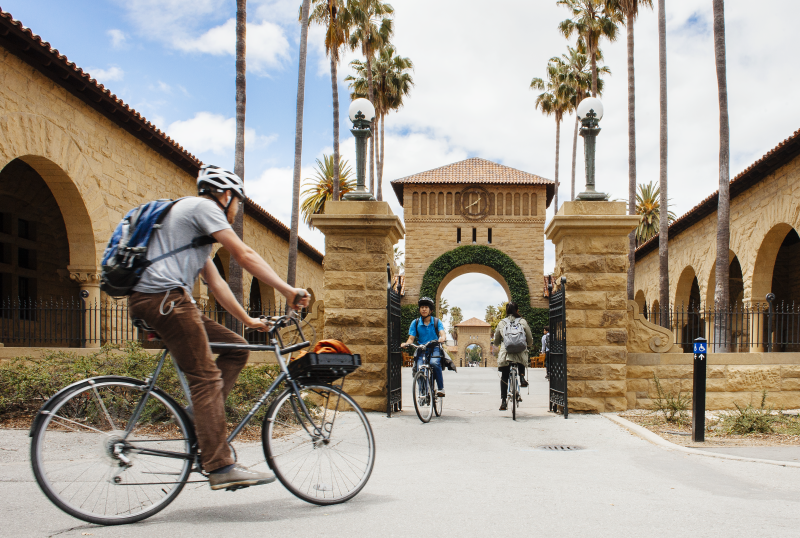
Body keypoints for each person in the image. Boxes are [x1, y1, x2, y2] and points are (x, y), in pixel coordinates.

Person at [129, 164, 310, 491]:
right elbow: (244, 253)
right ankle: (220, 465)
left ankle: (201, 415)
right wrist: (288, 290)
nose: (236, 209)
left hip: (160, 299)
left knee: (236, 348)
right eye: (237, 201)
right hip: (167, 300)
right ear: (225, 195)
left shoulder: (191, 234)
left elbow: (218, 285)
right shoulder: (203, 208)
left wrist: (248, 321)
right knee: (206, 377)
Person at [401, 296, 447, 396]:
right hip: (421, 349)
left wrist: (442, 337)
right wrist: (406, 343)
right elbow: (411, 338)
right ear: (419, 309)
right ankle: (423, 393)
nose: (424, 309)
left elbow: (442, 333)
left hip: (434, 348)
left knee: (434, 363)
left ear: (430, 310)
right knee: (419, 368)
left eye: (426, 307)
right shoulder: (416, 322)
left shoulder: (436, 322)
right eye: (422, 307)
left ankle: (440, 388)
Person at [494, 302, 533, 411]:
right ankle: (521, 377)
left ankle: (503, 401)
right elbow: (529, 337)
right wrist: (529, 344)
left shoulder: (502, 323)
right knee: (520, 355)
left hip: (506, 352)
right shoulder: (522, 321)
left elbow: (496, 340)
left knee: (504, 376)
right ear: (517, 310)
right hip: (520, 351)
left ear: (506, 311)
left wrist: (497, 344)